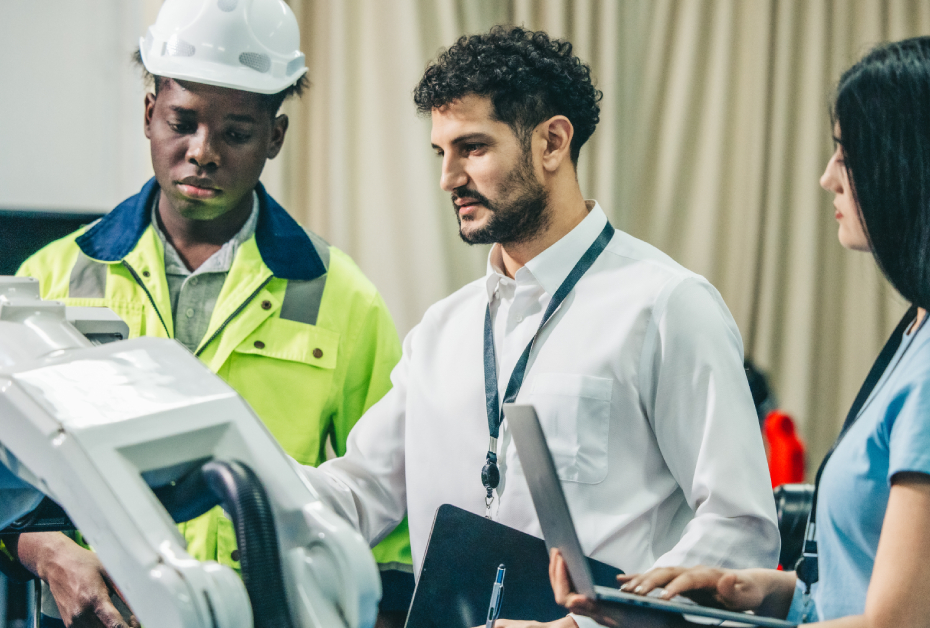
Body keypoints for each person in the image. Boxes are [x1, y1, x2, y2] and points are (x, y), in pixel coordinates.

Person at [548, 37, 930, 628]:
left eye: (846, 155)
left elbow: (901, 625)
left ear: (915, 171)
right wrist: (749, 590)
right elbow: (866, 594)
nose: (828, 178)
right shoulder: (925, 335)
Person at [300, 25, 780, 628]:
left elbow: (739, 530)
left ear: (552, 142)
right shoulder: (442, 330)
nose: (448, 177)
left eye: (472, 148)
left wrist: (590, 626)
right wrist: (227, 467)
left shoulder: (667, 306)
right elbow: (358, 490)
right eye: (441, 153)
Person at [8, 1, 409, 626]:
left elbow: (390, 531)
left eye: (237, 132)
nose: (203, 151)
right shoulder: (51, 279)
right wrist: (41, 547)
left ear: (275, 136)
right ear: (149, 115)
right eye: (183, 121)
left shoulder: (343, 298)